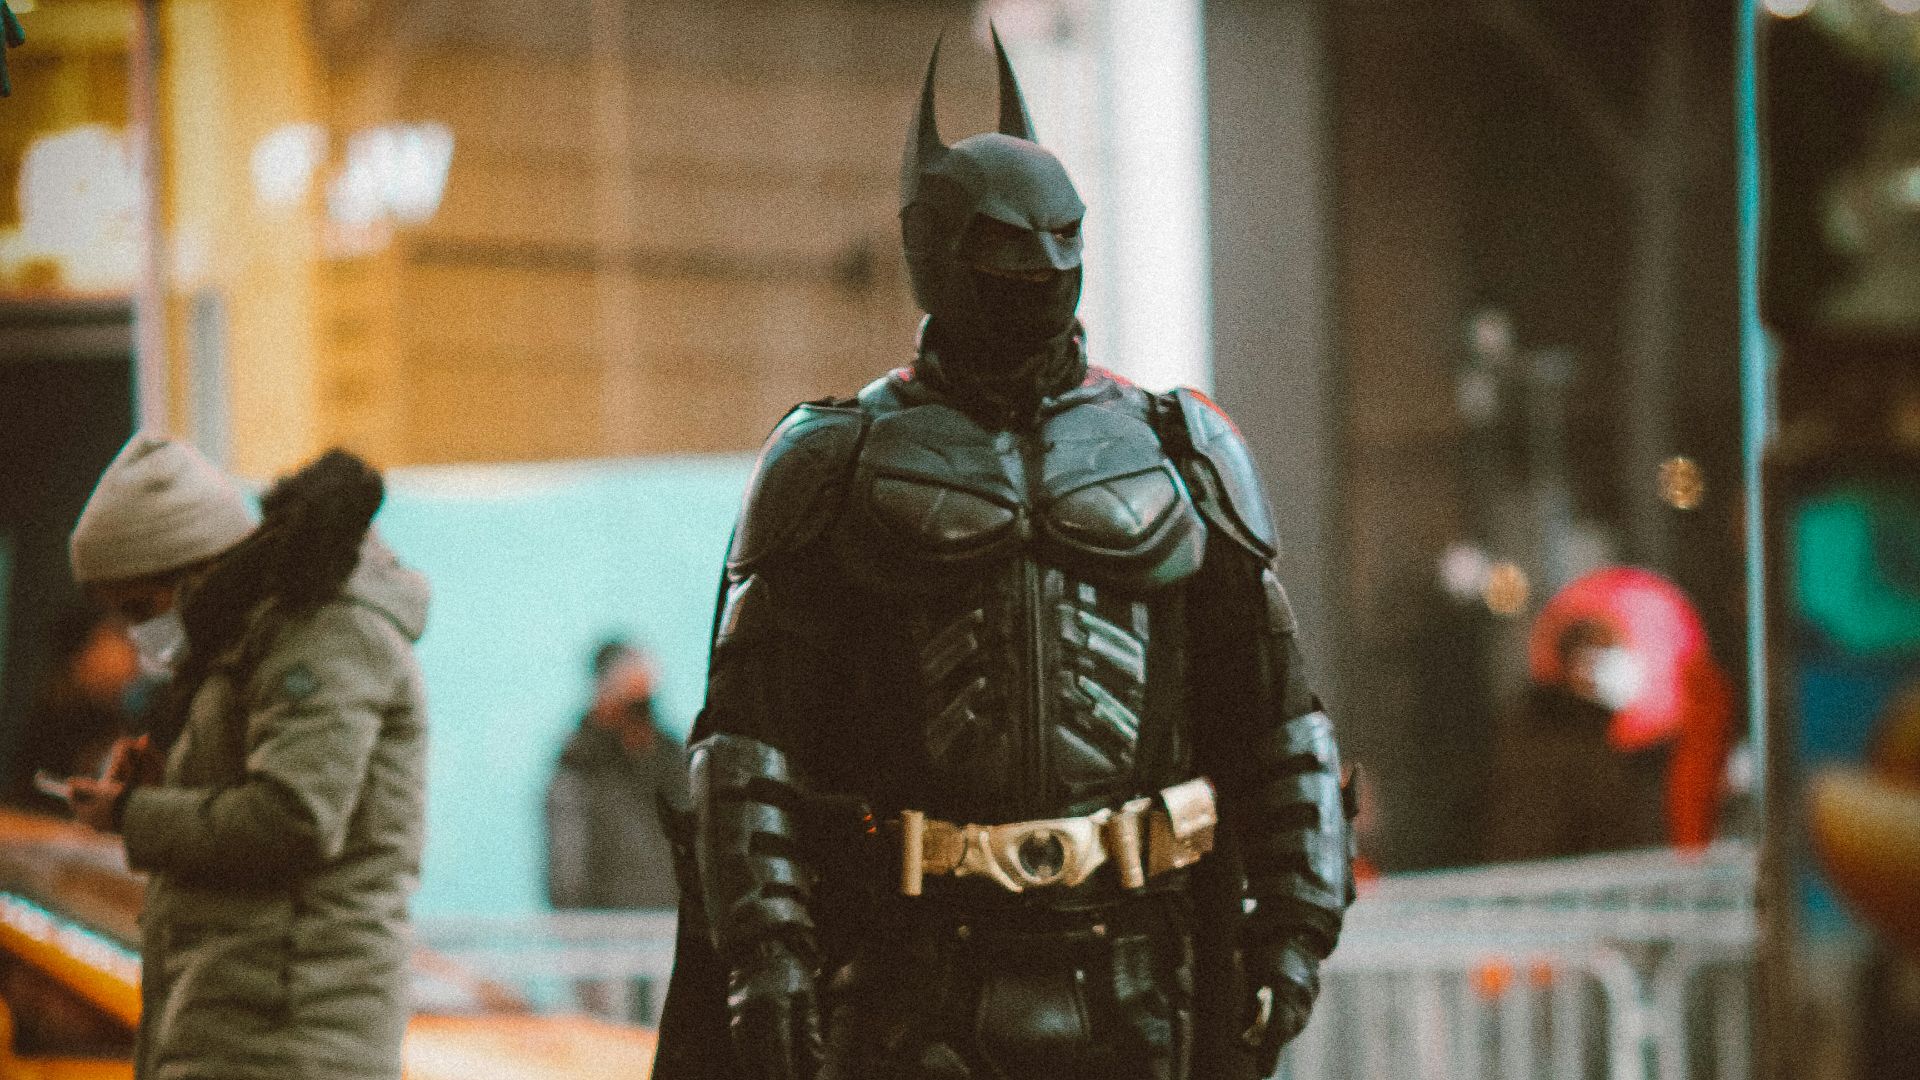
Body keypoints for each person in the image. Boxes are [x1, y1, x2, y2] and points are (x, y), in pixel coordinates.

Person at [654, 35, 1354, 1080]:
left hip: (1138, 975)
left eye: (1058, 240)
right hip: (911, 979)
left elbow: (1276, 717)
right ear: (936, 249)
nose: (1037, 271)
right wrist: (769, 960)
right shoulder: (833, 461)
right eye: (1006, 247)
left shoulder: (1179, 448)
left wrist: (1294, 923)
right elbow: (752, 744)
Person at [61, 434, 430, 1080]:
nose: (135, 634)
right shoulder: (248, 644)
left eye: (139, 608)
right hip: (247, 1027)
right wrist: (163, 793)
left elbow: (291, 817)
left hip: (292, 1032)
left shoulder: (320, 632)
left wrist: (136, 814)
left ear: (192, 568)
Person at [546, 638, 688, 912]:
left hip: (667, 921)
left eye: (644, 704)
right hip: (603, 931)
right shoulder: (579, 767)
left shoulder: (670, 762)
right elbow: (567, 871)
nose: (638, 717)